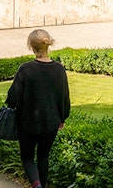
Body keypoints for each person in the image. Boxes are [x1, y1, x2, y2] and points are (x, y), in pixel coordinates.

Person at [5, 29, 70, 188]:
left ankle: (37, 186)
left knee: (27, 157)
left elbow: (13, 98)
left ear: (31, 46)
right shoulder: (59, 69)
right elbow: (64, 98)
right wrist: (62, 118)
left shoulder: (26, 69)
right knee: (43, 156)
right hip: (51, 122)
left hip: (27, 122)